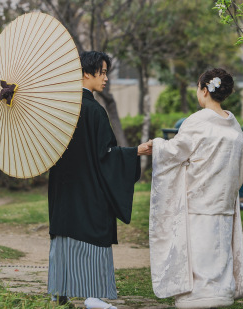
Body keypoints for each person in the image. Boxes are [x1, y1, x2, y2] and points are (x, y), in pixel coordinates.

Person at [47, 51, 153, 309]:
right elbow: (105, 156)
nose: (106, 78)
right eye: (102, 72)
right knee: (91, 235)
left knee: (64, 237)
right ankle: (92, 296)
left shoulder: (62, 109)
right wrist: (135, 152)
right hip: (89, 190)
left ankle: (60, 292)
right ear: (86, 72)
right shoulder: (94, 111)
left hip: (63, 189)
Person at [150, 68, 243, 308]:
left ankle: (197, 298)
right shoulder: (234, 126)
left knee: (200, 251)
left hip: (198, 198)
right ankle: (222, 293)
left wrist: (155, 145)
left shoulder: (196, 122)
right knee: (219, 249)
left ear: (204, 90)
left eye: (198, 88)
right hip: (223, 200)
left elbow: (175, 151)